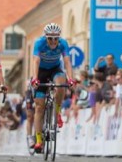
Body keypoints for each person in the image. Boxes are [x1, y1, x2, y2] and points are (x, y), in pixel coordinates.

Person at [30, 23, 74, 153]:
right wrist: (35, 78)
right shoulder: (39, 43)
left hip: (55, 69)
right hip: (41, 71)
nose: (53, 41)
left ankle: (58, 112)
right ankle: (38, 140)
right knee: (39, 107)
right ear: (46, 37)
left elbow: (67, 62)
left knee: (61, 84)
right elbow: (36, 61)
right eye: (50, 38)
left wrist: (70, 78)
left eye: (56, 38)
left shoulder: (63, 43)